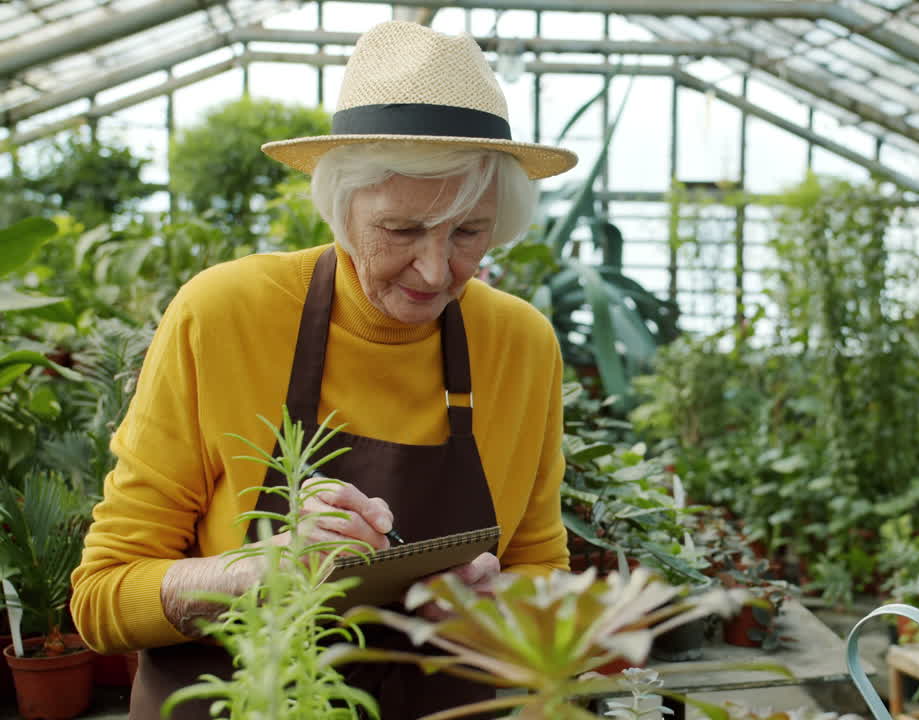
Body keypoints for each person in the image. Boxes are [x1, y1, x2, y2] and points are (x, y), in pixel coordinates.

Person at [70, 21, 578, 720]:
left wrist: (506, 613)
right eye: (400, 230)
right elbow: (100, 600)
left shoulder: (521, 344)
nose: (436, 272)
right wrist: (259, 572)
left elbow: (541, 566)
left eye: (468, 232)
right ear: (341, 210)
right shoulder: (225, 314)